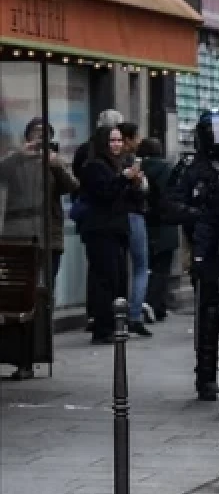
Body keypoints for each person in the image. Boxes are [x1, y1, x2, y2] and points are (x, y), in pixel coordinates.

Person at [166, 109, 219, 399]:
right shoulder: (190, 168)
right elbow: (171, 205)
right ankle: (206, 376)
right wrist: (200, 216)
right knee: (209, 314)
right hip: (206, 248)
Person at [0, 118, 77, 378]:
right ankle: (18, 355)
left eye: (45, 135)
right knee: (17, 297)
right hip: (18, 237)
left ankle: (35, 353)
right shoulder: (16, 161)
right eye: (35, 134)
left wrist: (56, 165)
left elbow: (73, 187)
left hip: (48, 238)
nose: (39, 139)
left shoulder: (54, 162)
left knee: (42, 296)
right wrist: (18, 155)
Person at [78, 124, 148, 344]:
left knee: (118, 278)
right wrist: (124, 178)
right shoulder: (94, 166)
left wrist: (134, 183)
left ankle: (115, 324)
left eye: (119, 140)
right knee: (105, 279)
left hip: (117, 228)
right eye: (112, 141)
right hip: (101, 229)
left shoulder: (116, 164)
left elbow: (125, 197)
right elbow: (105, 193)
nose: (117, 145)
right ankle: (103, 327)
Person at [137, 138, 179, 322]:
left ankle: (145, 302)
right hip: (166, 224)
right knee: (162, 268)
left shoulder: (137, 168)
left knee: (145, 267)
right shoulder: (168, 169)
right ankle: (156, 305)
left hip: (145, 221)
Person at [117, 122, 152, 336]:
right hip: (133, 214)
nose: (139, 141)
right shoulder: (130, 161)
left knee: (121, 267)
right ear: (128, 140)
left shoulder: (112, 160)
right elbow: (142, 190)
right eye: (136, 137)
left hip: (118, 217)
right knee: (140, 266)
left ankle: (120, 313)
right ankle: (135, 315)